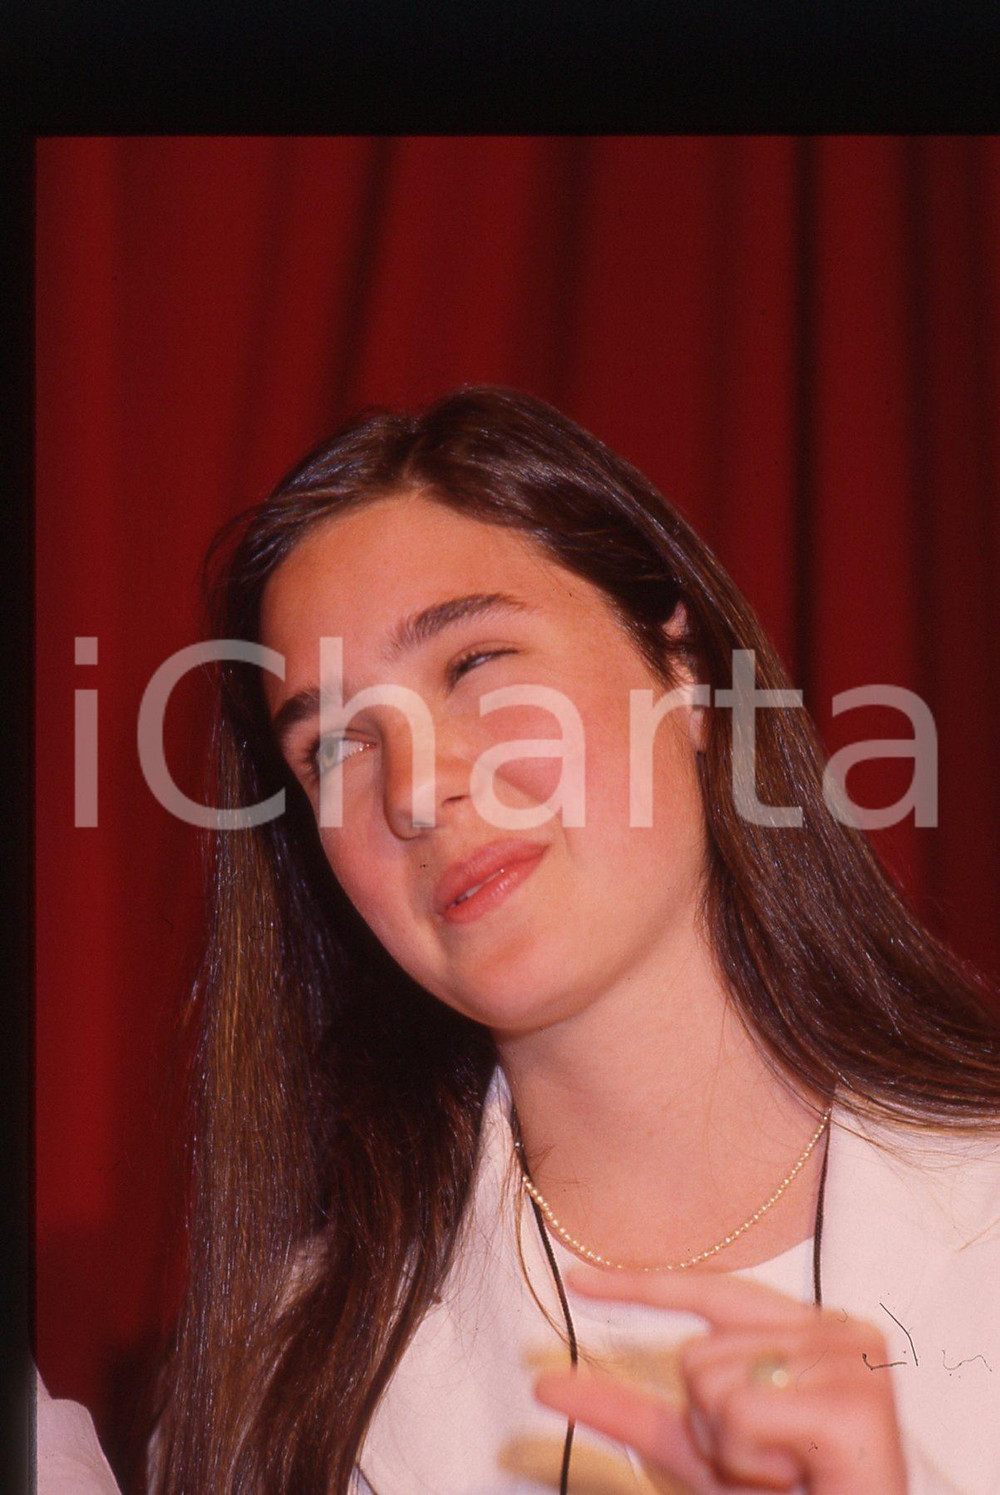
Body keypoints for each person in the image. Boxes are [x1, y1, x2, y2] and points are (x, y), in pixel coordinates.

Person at [41, 387, 1000, 1493]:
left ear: (683, 670)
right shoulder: (276, 1387)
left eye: (475, 664)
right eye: (339, 744)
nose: (420, 787)